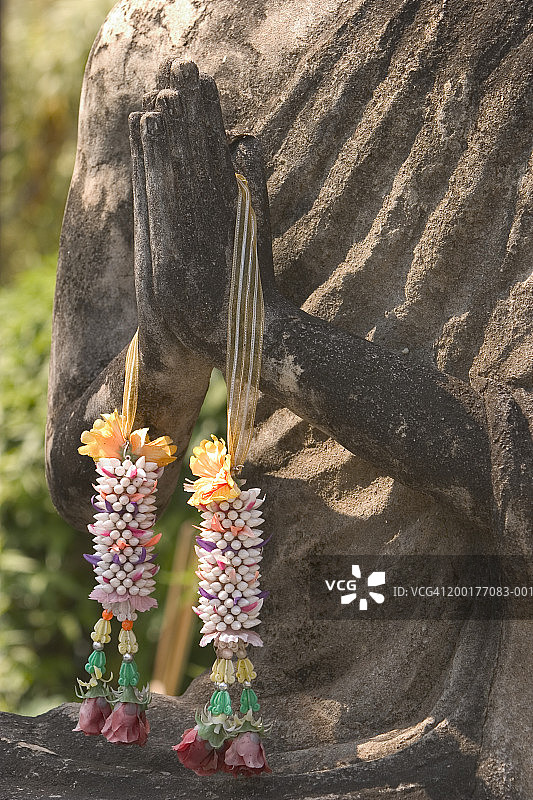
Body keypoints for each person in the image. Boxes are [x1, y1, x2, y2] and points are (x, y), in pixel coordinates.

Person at [46, 0, 533, 791]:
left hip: (487, 685)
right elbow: (77, 482)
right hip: (270, 663)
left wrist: (257, 330)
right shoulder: (155, 35)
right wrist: (171, 338)